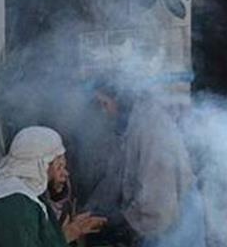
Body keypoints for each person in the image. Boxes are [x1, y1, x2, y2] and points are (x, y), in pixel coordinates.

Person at [85, 75, 207, 247]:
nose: (104, 111)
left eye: (105, 104)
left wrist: (125, 224)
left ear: (119, 100)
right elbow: (115, 177)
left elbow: (158, 206)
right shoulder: (132, 125)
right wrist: (92, 211)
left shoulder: (151, 128)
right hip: (165, 222)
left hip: (173, 228)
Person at [0, 126, 106, 247]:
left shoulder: (14, 191)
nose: (65, 173)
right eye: (59, 165)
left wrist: (71, 232)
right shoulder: (14, 202)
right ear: (41, 164)